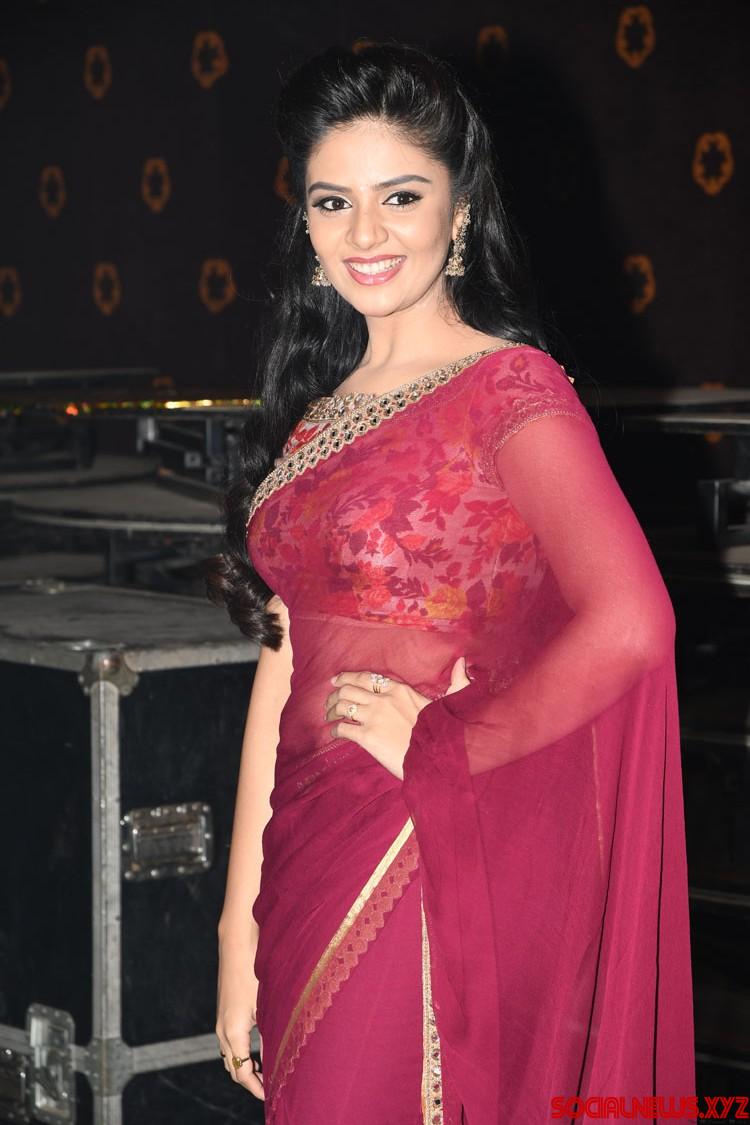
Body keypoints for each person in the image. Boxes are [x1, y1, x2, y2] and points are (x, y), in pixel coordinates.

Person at [205, 41, 696, 1125]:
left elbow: (633, 623)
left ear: (460, 211)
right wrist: (239, 922)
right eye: (333, 202)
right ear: (304, 222)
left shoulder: (509, 389)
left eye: (401, 196)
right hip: (304, 859)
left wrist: (449, 744)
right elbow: (283, 658)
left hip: (414, 851)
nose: (365, 234)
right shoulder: (318, 415)